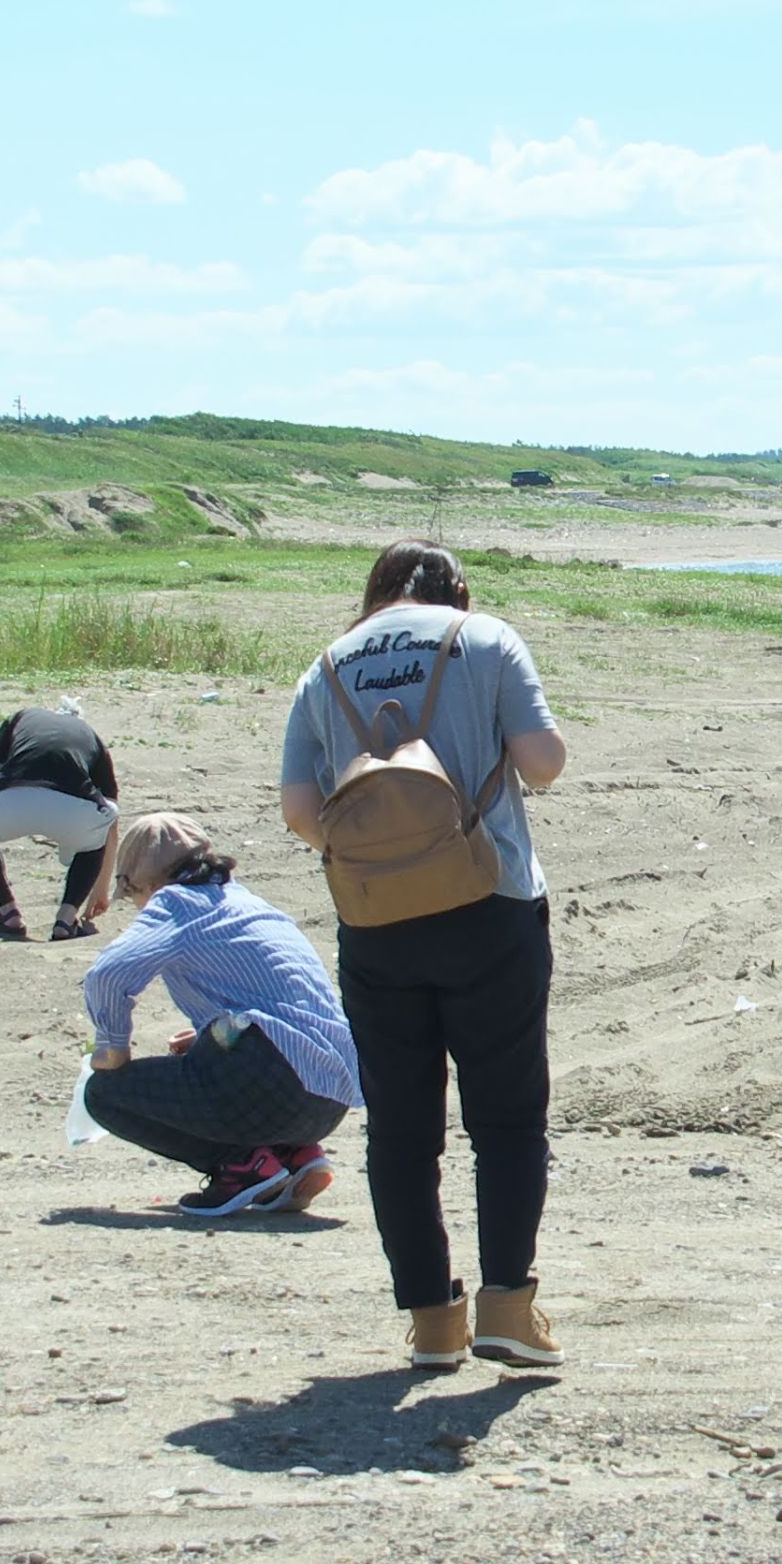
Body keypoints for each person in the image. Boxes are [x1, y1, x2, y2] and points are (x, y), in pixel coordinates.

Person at [278, 542, 569, 1373]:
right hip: (492, 901)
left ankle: (433, 1325)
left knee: (402, 1132)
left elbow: (303, 810)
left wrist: (391, 847)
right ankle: (508, 1309)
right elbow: (541, 765)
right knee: (506, 1119)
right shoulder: (484, 640)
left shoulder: (324, 665)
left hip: (375, 919)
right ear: (457, 592)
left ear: (373, 591)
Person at [78, 809, 359, 1224]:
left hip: (274, 1088)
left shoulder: (174, 901)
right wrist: (207, 1036)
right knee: (197, 1063)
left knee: (104, 1094)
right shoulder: (245, 901)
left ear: (145, 882)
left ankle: (242, 1166)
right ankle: (296, 1154)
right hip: (330, 1099)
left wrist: (111, 1045)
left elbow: (108, 973)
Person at [0, 701, 122, 943]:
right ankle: (66, 919)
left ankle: (8, 911)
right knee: (95, 833)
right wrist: (101, 888)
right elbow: (110, 822)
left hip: (12, 801)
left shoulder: (20, 718)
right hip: (74, 811)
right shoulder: (91, 737)